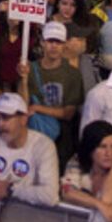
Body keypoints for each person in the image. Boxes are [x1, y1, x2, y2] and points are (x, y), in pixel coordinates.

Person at [17, 21, 83, 165]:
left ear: (64, 44)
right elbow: (23, 105)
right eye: (50, 41)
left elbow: (68, 113)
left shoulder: (73, 74)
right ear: (42, 43)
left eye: (58, 42)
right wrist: (23, 79)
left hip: (60, 139)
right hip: (32, 133)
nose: (54, 46)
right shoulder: (31, 69)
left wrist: (37, 108)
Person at [60, 120, 112, 222]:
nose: (109, 153)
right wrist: (99, 205)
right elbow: (68, 192)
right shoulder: (77, 162)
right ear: (90, 148)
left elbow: (108, 204)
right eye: (102, 146)